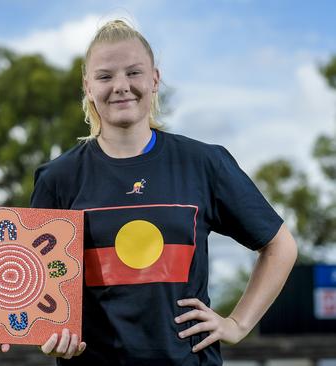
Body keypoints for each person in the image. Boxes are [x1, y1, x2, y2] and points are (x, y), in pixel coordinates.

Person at [30, 19, 297, 365]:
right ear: (87, 86)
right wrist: (49, 335)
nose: (121, 86)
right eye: (105, 76)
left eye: (134, 73)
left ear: (154, 79)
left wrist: (236, 323)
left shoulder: (204, 163)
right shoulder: (57, 178)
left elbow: (280, 245)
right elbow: (37, 289)